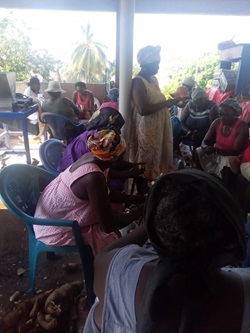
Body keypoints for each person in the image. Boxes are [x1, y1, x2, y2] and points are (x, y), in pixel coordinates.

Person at [83, 168, 249, 333]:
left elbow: (103, 256)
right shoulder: (244, 288)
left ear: (157, 227)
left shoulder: (120, 271)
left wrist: (156, 217)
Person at [34, 129, 144, 256]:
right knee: (112, 241)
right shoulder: (94, 177)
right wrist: (141, 210)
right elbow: (108, 226)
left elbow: (107, 194)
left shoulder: (92, 157)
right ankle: (99, 272)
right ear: (115, 160)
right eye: (122, 155)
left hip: (48, 213)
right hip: (52, 227)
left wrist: (140, 199)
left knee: (114, 209)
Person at [130, 45, 186, 181]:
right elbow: (142, 109)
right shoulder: (138, 82)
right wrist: (168, 103)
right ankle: (141, 196)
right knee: (145, 161)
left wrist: (172, 102)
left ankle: (149, 190)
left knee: (156, 158)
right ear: (147, 64)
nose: (158, 67)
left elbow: (156, 102)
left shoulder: (153, 80)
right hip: (146, 130)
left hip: (158, 129)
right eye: (156, 64)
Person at [196, 98, 249, 177]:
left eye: (226, 114)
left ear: (235, 114)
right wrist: (206, 148)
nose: (222, 117)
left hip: (233, 156)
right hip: (218, 151)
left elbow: (236, 151)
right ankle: (201, 176)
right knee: (199, 151)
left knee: (227, 161)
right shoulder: (217, 122)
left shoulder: (241, 126)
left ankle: (222, 185)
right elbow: (205, 141)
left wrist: (216, 151)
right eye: (220, 114)